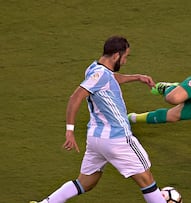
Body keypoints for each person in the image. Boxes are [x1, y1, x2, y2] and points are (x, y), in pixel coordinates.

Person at [30, 36, 166, 203]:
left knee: (86, 182)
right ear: (116, 55)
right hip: (117, 138)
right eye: (125, 57)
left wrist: (137, 77)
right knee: (146, 179)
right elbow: (76, 97)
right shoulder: (100, 75)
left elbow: (111, 79)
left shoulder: (94, 69)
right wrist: (69, 131)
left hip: (96, 139)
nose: (124, 62)